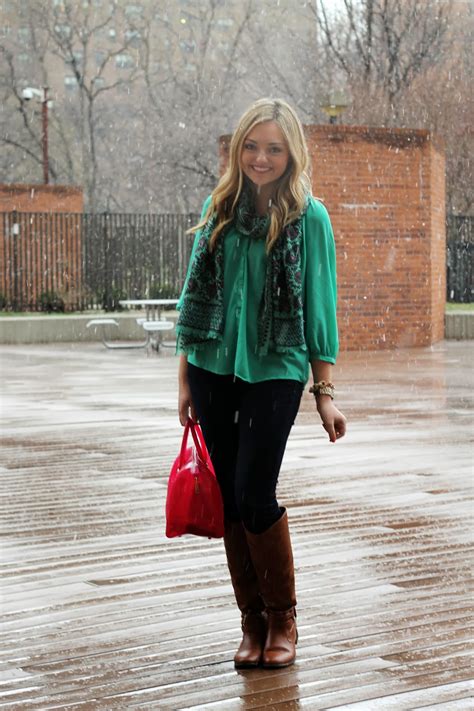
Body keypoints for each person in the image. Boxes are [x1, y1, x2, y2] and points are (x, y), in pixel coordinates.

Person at [175, 97, 346, 669]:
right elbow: (193, 301)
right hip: (211, 366)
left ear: (291, 152)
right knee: (227, 496)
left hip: (277, 367)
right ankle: (250, 624)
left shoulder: (309, 217)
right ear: (237, 149)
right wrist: (184, 381)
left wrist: (324, 395)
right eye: (251, 146)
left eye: (273, 148)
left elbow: (320, 306)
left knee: (254, 493)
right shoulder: (219, 206)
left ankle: (283, 618)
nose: (260, 158)